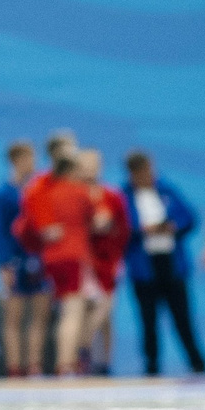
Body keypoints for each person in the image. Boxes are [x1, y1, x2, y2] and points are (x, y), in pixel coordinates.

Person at [15, 135, 95, 377]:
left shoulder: (47, 188)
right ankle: (63, 363)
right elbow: (97, 218)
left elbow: (24, 224)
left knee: (55, 312)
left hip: (51, 256)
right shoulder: (71, 190)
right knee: (68, 310)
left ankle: (46, 364)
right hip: (68, 255)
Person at [123, 149, 205, 375]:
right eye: (143, 171)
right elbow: (123, 227)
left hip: (171, 263)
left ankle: (197, 362)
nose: (149, 174)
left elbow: (189, 217)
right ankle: (151, 365)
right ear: (133, 173)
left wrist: (172, 226)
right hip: (144, 267)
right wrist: (143, 230)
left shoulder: (165, 190)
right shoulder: (125, 196)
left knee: (182, 317)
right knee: (148, 320)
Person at [0, 141, 49, 377]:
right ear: (15, 161)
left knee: (40, 315)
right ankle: (14, 367)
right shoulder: (1, 196)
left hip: (38, 259)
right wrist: (4, 264)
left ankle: (34, 365)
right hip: (13, 261)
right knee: (14, 317)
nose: (32, 164)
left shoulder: (39, 192)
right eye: (27, 159)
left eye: (33, 159)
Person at [78, 147, 128, 376]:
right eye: (86, 164)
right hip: (84, 260)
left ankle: (104, 362)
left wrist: (109, 228)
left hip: (108, 260)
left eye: (94, 164)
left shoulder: (112, 195)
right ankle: (83, 352)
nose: (90, 169)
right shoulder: (75, 195)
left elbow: (125, 228)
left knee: (106, 312)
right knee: (84, 310)